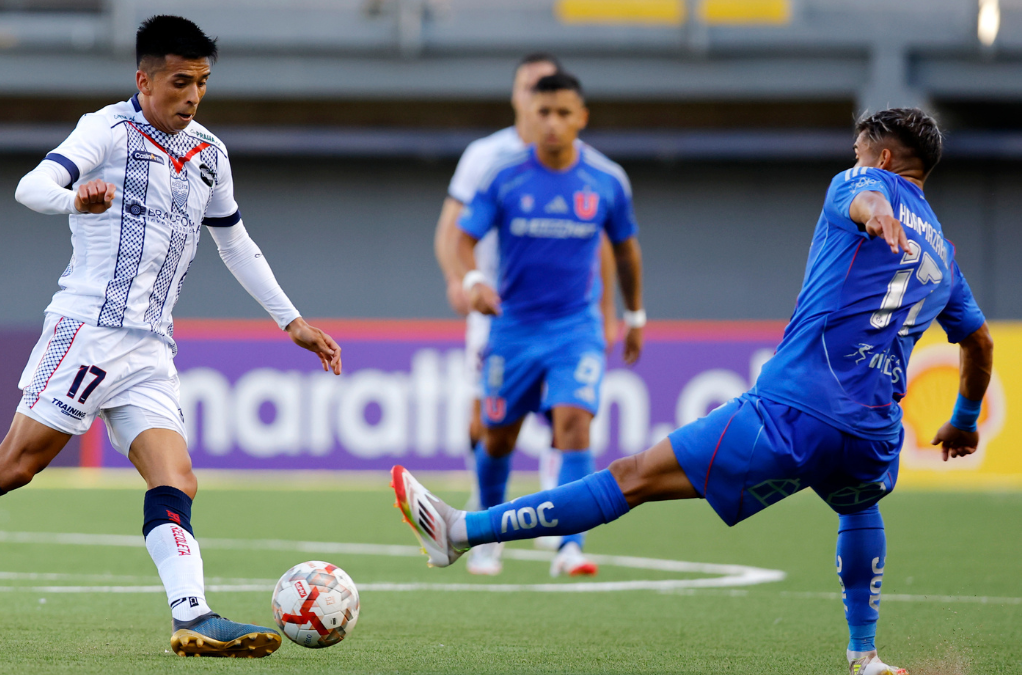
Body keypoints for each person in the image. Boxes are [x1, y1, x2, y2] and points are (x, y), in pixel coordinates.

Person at [393, 108, 992, 675]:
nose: (852, 160)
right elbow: (979, 342)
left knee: (632, 477)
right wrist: (964, 419)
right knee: (859, 506)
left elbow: (864, 199)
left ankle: (461, 531)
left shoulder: (864, 183)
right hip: (873, 432)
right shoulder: (944, 253)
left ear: (882, 158)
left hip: (796, 408)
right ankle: (864, 656)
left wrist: (873, 210)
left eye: (858, 151)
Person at [0, 15, 342, 659]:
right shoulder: (106, 130)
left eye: (202, 83)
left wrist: (291, 320)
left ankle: (193, 614)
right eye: (180, 82)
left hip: (151, 346)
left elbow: (235, 242)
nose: (192, 96)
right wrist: (74, 200)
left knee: (176, 477)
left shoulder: (210, 154)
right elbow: (32, 186)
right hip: (88, 331)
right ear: (144, 80)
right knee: (16, 465)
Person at [444, 71, 645, 579]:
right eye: (543, 113)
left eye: (563, 113)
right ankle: (486, 537)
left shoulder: (607, 179)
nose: (553, 122)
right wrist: (473, 280)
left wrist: (634, 315)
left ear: (581, 118)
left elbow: (625, 250)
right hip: (512, 328)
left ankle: (570, 546)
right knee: (497, 437)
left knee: (574, 423)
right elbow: (462, 238)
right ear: (528, 117)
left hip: (575, 329)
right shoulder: (503, 176)